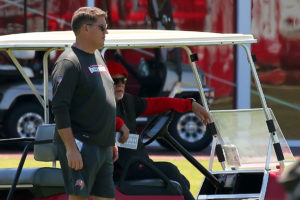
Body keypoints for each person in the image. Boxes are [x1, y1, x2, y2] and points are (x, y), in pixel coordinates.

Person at [51, 7, 128, 200]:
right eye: (102, 27)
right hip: (81, 146)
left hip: (103, 146)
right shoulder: (69, 62)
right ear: (85, 28)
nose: (106, 32)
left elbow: (102, 100)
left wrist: (109, 141)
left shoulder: (98, 56)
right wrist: (70, 148)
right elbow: (60, 108)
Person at [107, 61, 213, 200]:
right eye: (115, 80)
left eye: (123, 80)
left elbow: (157, 103)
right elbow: (93, 117)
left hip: (138, 163)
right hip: (123, 169)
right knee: (170, 171)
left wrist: (190, 104)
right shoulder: (98, 103)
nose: (120, 84)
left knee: (182, 182)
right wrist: (119, 123)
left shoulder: (127, 101)